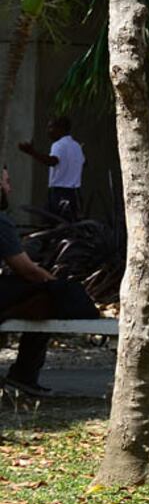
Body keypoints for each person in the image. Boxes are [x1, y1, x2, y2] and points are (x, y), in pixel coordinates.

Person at [1, 168, 101, 397]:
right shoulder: (2, 222)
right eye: (6, 182)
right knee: (47, 300)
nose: (9, 188)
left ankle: (24, 376)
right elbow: (26, 269)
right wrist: (55, 285)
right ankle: (25, 375)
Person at [16, 116, 83, 223]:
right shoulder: (76, 146)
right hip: (73, 194)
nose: (48, 131)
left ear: (61, 128)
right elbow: (83, 163)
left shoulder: (58, 145)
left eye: (51, 127)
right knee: (68, 227)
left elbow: (52, 161)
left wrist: (31, 152)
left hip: (58, 194)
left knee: (48, 226)